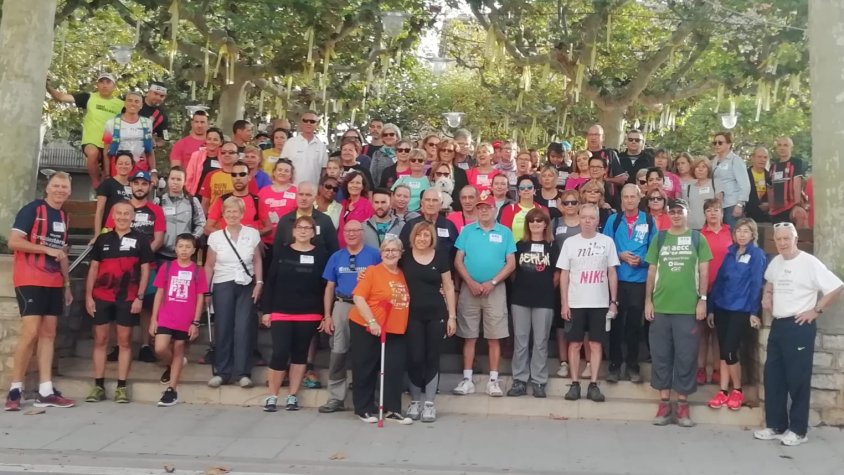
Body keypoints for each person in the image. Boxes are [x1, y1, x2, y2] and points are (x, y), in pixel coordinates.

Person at [753, 222, 843, 446]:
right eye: (779, 239)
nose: (782, 243)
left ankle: (798, 430)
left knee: (798, 379)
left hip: (799, 326)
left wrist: (816, 310)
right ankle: (776, 425)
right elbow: (769, 281)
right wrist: (767, 295)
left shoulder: (809, 262)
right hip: (778, 324)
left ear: (795, 239)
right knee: (773, 377)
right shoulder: (776, 261)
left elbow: (836, 287)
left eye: (786, 239)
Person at [5, 172, 76, 411]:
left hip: (54, 281)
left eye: (64, 187)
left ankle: (45, 390)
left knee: (49, 334)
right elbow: (14, 241)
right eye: (56, 185)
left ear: (69, 191)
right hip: (29, 278)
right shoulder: (32, 209)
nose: (60, 190)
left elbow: (62, 253)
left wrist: (67, 285)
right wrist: (45, 249)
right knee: (31, 332)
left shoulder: (64, 216)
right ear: (48, 188)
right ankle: (15, 389)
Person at [644, 198, 712, 428]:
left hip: (687, 309)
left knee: (686, 356)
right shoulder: (660, 238)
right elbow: (651, 271)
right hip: (661, 307)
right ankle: (664, 404)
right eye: (672, 211)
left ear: (687, 213)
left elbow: (704, 272)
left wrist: (702, 300)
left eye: (679, 211)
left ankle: (682, 405)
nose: (675, 215)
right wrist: (648, 301)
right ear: (667, 214)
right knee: (661, 356)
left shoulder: (697, 238)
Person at [85, 201, 154, 404]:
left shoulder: (141, 239)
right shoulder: (103, 239)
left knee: (124, 341)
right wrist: (88, 296)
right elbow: (93, 269)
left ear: (132, 217)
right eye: (119, 213)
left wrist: (140, 297)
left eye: (126, 214)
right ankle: (98, 386)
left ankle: (121, 387)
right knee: (100, 340)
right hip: (102, 296)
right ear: (113, 216)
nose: (123, 217)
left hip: (128, 299)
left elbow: (145, 271)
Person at [261, 216, 329, 412]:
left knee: (300, 354)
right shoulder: (282, 251)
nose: (303, 231)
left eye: (308, 228)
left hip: (309, 312)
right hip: (281, 310)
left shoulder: (321, 254)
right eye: (300, 227)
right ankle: (272, 396)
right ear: (293, 231)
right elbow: (271, 282)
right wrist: (267, 311)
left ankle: (292, 395)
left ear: (313, 232)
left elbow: (325, 286)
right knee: (280, 353)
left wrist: (324, 313)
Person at [452, 192, 516, 397]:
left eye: (487, 207)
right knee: (468, 336)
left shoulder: (505, 232)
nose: (484, 211)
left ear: (495, 209)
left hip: (495, 290)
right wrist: (469, 282)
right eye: (480, 208)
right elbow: (458, 260)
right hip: (469, 289)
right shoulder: (467, 231)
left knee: (494, 336)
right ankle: (467, 379)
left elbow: (511, 263)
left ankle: (493, 381)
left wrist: (493, 282)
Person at [318, 221, 382, 414]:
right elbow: (329, 287)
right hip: (342, 305)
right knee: (338, 351)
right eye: (347, 231)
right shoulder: (336, 256)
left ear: (362, 233)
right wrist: (327, 315)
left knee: (368, 352)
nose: (351, 234)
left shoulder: (374, 255)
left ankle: (370, 396)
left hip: (367, 307)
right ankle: (336, 397)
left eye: (355, 230)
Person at [348, 237, 413, 424]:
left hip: (394, 328)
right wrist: (372, 321)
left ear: (401, 254)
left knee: (394, 368)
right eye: (386, 250)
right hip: (367, 326)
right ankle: (364, 408)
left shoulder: (403, 274)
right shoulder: (372, 271)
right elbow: (358, 297)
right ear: (381, 253)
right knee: (365, 367)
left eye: (394, 250)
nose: (390, 254)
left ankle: (392, 410)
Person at [558, 203, 619, 402]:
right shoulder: (570, 243)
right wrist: (564, 303)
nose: (587, 221)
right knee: (575, 343)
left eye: (591, 218)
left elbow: (612, 272)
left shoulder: (607, 242)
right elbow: (564, 274)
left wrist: (613, 301)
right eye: (584, 217)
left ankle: (593, 384)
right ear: (579, 218)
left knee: (595, 344)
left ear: (597, 220)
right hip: (576, 302)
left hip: (599, 302)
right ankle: (574, 384)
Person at [102, 170, 166, 363]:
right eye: (136, 183)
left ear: (149, 186)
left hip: (147, 265)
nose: (140, 187)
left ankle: (145, 345)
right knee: (117, 304)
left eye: (144, 183)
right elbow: (108, 233)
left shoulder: (156, 210)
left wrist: (141, 258)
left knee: (146, 306)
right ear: (130, 185)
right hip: (120, 267)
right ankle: (117, 345)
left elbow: (159, 239)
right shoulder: (119, 208)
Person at [707, 218, 766, 411]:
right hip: (722, 307)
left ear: (752, 234)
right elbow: (719, 281)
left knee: (731, 350)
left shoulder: (756, 255)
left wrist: (754, 311)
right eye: (739, 231)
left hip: (741, 309)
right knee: (724, 350)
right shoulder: (730, 253)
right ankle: (723, 390)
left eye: (746, 231)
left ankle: (738, 390)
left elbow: (757, 284)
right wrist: (711, 308)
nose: (741, 234)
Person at [205, 196, 263, 389]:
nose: (232, 215)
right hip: (223, 283)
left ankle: (243, 373)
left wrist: (259, 282)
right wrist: (206, 290)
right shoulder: (215, 237)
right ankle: (222, 372)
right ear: (223, 214)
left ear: (242, 213)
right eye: (228, 211)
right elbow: (209, 265)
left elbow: (257, 260)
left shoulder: (252, 233)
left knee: (244, 327)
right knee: (223, 327)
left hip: (246, 284)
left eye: (235, 211)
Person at [402, 221, 458, 422]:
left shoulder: (440, 256)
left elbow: (448, 286)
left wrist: (452, 316)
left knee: (432, 357)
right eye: (419, 235)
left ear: (432, 238)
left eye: (426, 235)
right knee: (415, 357)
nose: (422, 239)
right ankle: (415, 401)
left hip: (436, 314)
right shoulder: (405, 257)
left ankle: (429, 404)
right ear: (413, 237)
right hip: (412, 315)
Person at [603, 184, 657, 384]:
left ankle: (633, 365)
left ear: (639, 198)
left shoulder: (648, 220)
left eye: (633, 197)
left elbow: (655, 250)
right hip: (617, 279)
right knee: (616, 323)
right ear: (622, 200)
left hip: (639, 280)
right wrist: (620, 255)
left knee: (634, 325)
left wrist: (642, 261)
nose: (629, 200)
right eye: (625, 197)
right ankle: (614, 365)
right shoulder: (614, 220)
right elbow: (605, 247)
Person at [149, 234, 207, 406]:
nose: (184, 250)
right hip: (166, 315)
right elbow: (159, 293)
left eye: (188, 247)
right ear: (175, 248)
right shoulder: (167, 267)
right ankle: (175, 363)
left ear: (194, 250)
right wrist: (154, 318)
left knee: (179, 348)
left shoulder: (198, 271)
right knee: (160, 348)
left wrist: (195, 322)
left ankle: (171, 390)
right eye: (181, 246)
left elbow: (200, 297)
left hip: (185, 317)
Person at [508, 208, 559, 398]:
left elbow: (557, 274)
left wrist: (544, 287)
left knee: (540, 342)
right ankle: (519, 380)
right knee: (520, 341)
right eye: (532, 221)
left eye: (539, 220)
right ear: (527, 224)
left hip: (544, 299)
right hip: (520, 299)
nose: (535, 224)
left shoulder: (552, 246)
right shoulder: (519, 245)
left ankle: (538, 381)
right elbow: (513, 271)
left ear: (545, 224)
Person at [46, 73, 123, 189]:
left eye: (108, 82)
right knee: (93, 154)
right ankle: (95, 183)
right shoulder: (89, 97)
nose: (104, 85)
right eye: (101, 82)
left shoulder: (121, 104)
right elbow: (61, 97)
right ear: (97, 85)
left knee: (108, 179)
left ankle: (102, 191)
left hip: (111, 143)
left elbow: (137, 114)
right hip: (91, 140)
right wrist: (47, 86)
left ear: (114, 86)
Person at [550, 189, 582, 378]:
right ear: (561, 205)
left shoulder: (586, 222)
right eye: (566, 202)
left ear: (579, 204)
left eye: (573, 202)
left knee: (581, 320)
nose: (570, 206)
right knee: (561, 322)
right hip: (560, 275)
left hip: (582, 278)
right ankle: (563, 362)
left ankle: (584, 360)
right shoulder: (555, 223)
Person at [699, 199, 731, 386]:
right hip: (704, 289)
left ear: (722, 213)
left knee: (720, 333)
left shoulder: (731, 233)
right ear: (704, 214)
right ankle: (701, 369)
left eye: (716, 210)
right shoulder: (699, 235)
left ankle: (719, 370)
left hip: (725, 291)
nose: (713, 213)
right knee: (702, 333)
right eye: (709, 210)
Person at [275, 182, 339, 256]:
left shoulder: (325, 220)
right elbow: (277, 250)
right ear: (296, 196)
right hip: (289, 262)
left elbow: (333, 249)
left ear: (315, 198)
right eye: (301, 194)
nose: (304, 198)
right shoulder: (285, 220)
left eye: (308, 195)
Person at [103, 91, 156, 178]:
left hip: (140, 165)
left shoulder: (147, 123)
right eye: (130, 100)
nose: (133, 104)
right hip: (119, 166)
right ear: (124, 103)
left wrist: (153, 171)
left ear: (141, 105)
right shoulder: (111, 123)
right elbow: (106, 151)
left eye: (136, 101)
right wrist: (107, 174)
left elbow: (150, 150)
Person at [257, 159, 298, 272]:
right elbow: (256, 216)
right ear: (274, 172)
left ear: (291, 174)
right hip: (266, 242)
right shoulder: (263, 192)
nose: (282, 173)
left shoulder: (296, 192)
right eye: (279, 170)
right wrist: (258, 238)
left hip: (288, 242)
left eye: (286, 171)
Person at [157, 167, 205, 261]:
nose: (175, 182)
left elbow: (201, 223)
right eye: (172, 178)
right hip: (161, 254)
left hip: (186, 256)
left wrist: (191, 239)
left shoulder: (192, 201)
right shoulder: (159, 201)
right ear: (168, 180)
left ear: (184, 182)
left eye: (179, 179)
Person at [199, 142, 258, 214]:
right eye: (223, 152)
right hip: (214, 219)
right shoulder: (211, 175)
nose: (227, 154)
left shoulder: (246, 177)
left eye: (231, 152)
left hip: (238, 218)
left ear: (238, 156)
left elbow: (253, 203)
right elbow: (205, 203)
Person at [204, 161, 263, 233]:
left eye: (242, 174)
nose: (238, 178)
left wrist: (253, 234)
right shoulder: (222, 200)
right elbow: (207, 228)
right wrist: (225, 236)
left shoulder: (257, 200)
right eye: (234, 175)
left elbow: (268, 228)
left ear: (249, 177)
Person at [400, 189, 458, 258]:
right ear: (422, 203)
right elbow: (402, 249)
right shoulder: (411, 225)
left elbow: (455, 252)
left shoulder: (449, 226)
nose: (431, 204)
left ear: (441, 204)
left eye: (435, 200)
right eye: (427, 200)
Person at [710, 131, 750, 229]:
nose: (717, 145)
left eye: (720, 143)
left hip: (732, 204)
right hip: (718, 205)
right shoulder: (714, 161)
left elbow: (745, 185)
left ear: (729, 144)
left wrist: (740, 204)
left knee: (734, 232)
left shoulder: (735, 160)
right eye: (715, 143)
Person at [768, 137, 809, 228]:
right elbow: (770, 187)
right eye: (779, 145)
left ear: (791, 148)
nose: (782, 148)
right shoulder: (773, 166)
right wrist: (770, 207)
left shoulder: (796, 162)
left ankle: (800, 237)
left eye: (785, 145)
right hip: (777, 209)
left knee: (800, 215)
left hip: (791, 206)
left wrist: (797, 204)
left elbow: (797, 182)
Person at [281, 111, 327, 186]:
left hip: (312, 190)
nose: (308, 123)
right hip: (291, 188)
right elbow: (282, 165)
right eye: (305, 120)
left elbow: (324, 170)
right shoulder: (290, 143)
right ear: (300, 123)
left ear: (316, 124)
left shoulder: (321, 146)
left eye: (312, 121)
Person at [94, 151, 133, 232]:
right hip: (109, 230)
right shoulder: (107, 184)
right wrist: (97, 235)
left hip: (128, 230)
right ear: (115, 165)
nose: (123, 166)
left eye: (127, 164)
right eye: (120, 163)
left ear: (132, 166)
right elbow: (100, 210)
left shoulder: (133, 186)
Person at [498, 175, 545, 242]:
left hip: (536, 248)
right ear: (518, 192)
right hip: (514, 248)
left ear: (534, 190)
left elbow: (546, 234)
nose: (526, 189)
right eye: (522, 188)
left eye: (529, 187)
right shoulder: (509, 209)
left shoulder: (543, 210)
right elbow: (504, 234)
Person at [337, 171, 374, 247]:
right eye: (351, 182)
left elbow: (370, 230)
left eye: (358, 183)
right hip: (340, 247)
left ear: (362, 186)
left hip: (358, 247)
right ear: (347, 185)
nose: (354, 185)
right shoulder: (342, 204)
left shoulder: (367, 205)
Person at [185, 127, 223, 196]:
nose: (211, 142)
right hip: (197, 195)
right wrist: (189, 193)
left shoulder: (224, 157)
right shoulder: (196, 155)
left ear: (221, 142)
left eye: (215, 140)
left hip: (217, 196)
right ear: (206, 140)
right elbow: (189, 176)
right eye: (209, 139)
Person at [435, 139, 470, 209]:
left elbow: (464, 193)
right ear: (439, 152)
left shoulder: (461, 173)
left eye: (450, 151)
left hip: (456, 209)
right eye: (443, 150)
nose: (446, 152)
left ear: (454, 154)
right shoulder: (432, 170)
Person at [684, 158, 716, 230]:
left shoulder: (715, 183)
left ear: (708, 169)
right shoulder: (689, 186)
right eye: (697, 167)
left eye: (703, 167)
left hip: (710, 226)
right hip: (691, 227)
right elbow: (686, 207)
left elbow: (719, 205)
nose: (700, 169)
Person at [746, 147, 771, 223]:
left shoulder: (771, 175)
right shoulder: (744, 175)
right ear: (753, 158)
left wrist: (770, 205)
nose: (762, 160)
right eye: (759, 157)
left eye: (765, 157)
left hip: (767, 218)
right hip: (747, 216)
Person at [140, 82, 169, 148]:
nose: (158, 98)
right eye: (155, 94)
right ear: (149, 92)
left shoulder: (162, 115)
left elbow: (165, 138)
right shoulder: (134, 102)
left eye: (162, 96)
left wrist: (155, 142)